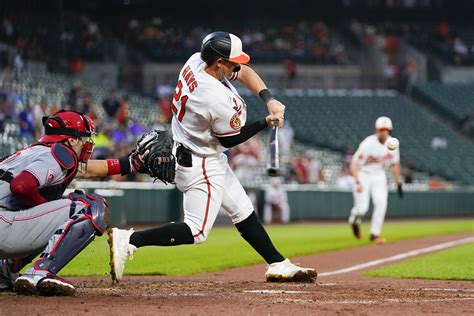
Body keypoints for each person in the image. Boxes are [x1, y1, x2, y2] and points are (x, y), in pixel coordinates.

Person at [110, 31, 316, 282]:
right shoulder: (213, 97)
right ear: (219, 62)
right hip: (201, 161)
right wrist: (265, 121)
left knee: (242, 210)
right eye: (232, 62)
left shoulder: (197, 60)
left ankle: (276, 263)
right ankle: (130, 240)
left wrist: (268, 99)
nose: (237, 65)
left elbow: (245, 72)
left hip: (196, 150)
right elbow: (229, 139)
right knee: (196, 231)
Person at [0, 110, 153, 296]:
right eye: (84, 137)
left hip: (5, 220)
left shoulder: (35, 151)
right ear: (71, 140)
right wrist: (40, 206)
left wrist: (129, 164)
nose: (87, 142)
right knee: (90, 206)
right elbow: (21, 186)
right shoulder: (60, 153)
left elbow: (85, 169)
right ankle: (41, 272)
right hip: (3, 224)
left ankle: (4, 272)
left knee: (53, 212)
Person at [348, 116, 403, 245]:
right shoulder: (368, 144)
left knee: (381, 202)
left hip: (379, 174)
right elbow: (353, 164)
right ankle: (354, 221)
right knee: (362, 208)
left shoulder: (393, 144)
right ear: (376, 130)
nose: (383, 132)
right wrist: (357, 181)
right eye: (381, 129)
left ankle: (375, 234)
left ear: (389, 130)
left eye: (386, 129)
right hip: (363, 173)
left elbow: (394, 164)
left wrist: (399, 182)